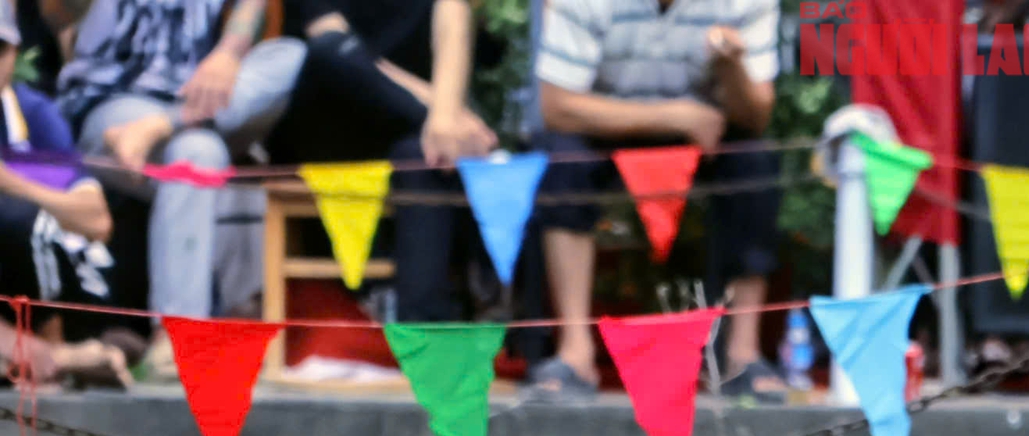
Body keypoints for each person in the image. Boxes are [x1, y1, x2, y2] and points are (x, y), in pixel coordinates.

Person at [525, 0, 784, 401]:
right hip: (604, 121)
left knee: (753, 160)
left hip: (706, 130)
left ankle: (743, 356)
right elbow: (556, 108)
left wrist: (731, 66)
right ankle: (574, 354)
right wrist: (673, 116)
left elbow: (755, 117)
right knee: (564, 162)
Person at [51, 0, 303, 378]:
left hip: (195, 110)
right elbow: (58, 14)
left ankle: (175, 340)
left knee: (290, 55)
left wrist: (228, 55)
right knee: (200, 153)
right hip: (113, 112)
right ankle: (181, 335)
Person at [268, 0, 496, 323]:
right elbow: (337, 46)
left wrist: (445, 112)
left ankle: (427, 330)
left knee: (422, 155)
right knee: (330, 52)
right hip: (331, 122)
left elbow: (453, 20)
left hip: (413, 129)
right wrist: (438, 108)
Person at [0, 0, 127, 384]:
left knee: (19, 216)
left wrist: (11, 183)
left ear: (14, 54)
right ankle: (56, 356)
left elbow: (98, 221)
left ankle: (51, 346)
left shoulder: (32, 113)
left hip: (63, 279)